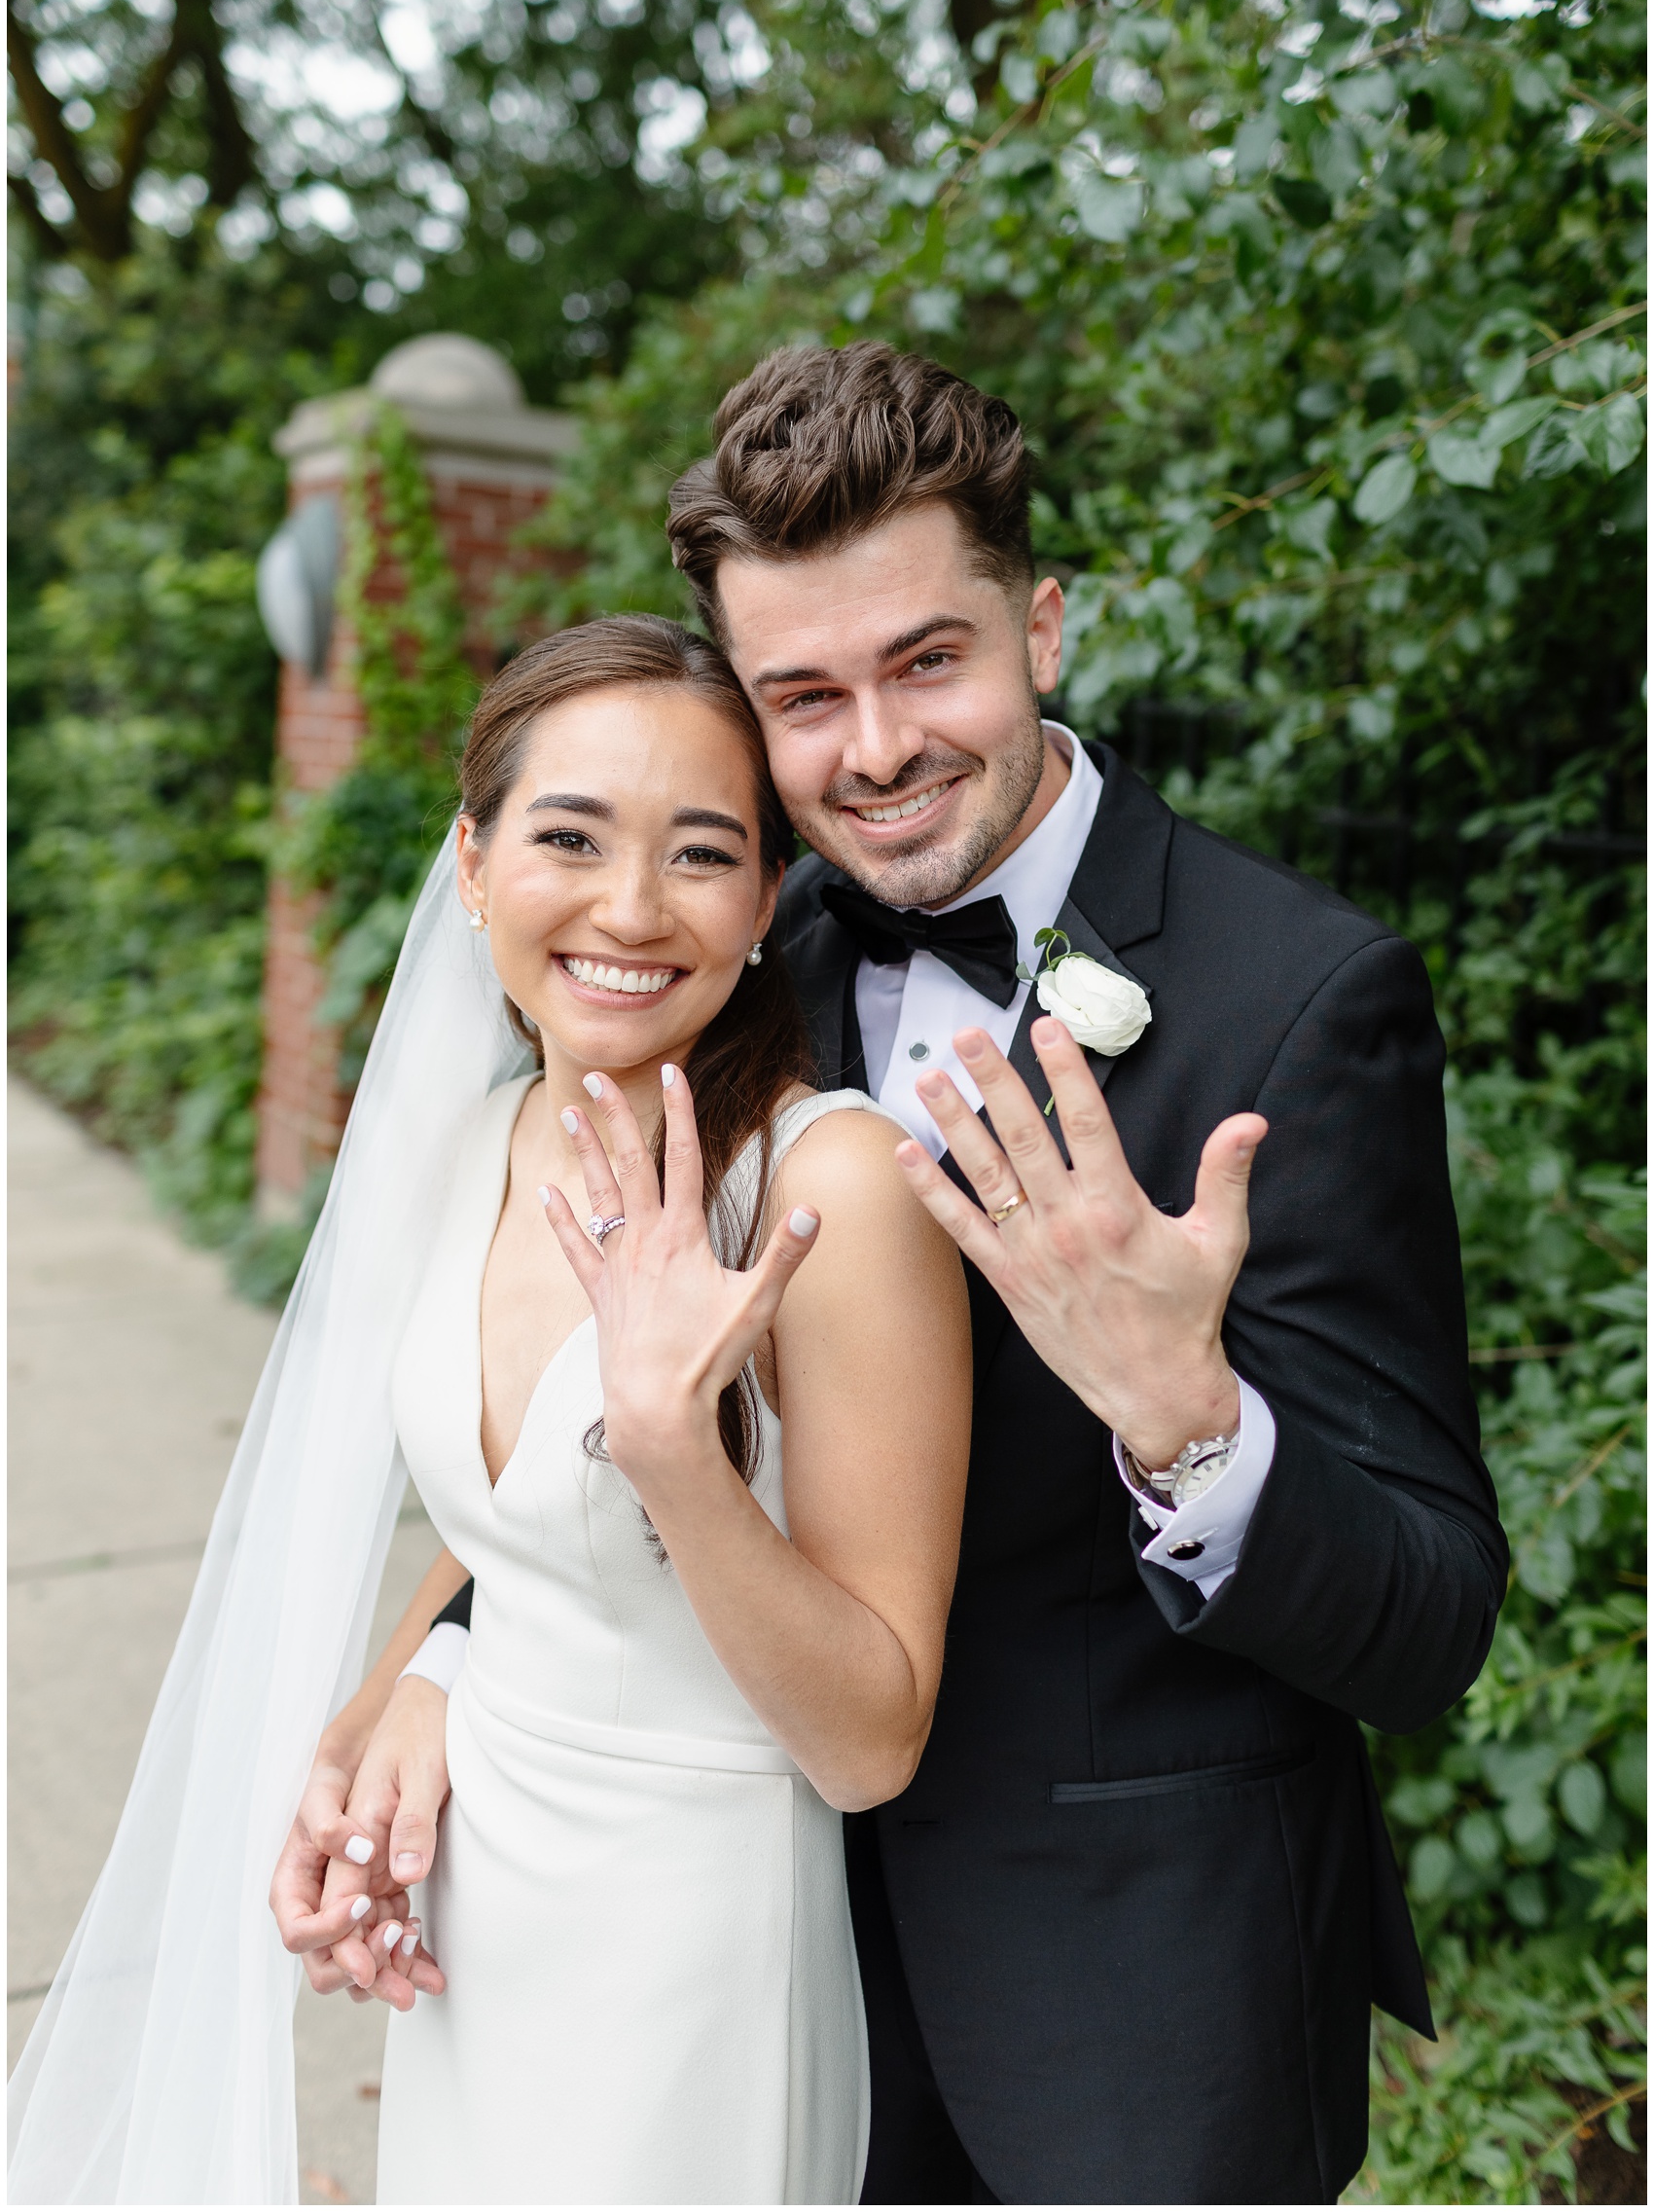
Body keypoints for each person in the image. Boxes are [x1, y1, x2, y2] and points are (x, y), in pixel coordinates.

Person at [275, 344, 1507, 2205]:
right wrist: (442, 1667)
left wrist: (1194, 1424)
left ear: (1047, 625)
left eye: (930, 660)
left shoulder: (1297, 997)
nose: (873, 748)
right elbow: (608, 1393)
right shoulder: (710, 937)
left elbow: (1429, 1626)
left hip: (1129, 2007)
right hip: (728, 1948)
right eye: (802, 695)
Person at [8, 615, 972, 2205]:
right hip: (470, 1930)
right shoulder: (467, 1153)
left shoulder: (828, 1188)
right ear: (470, 866)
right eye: (569, 838)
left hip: (692, 1947)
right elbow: (507, 1547)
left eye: (702, 855)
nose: (629, 909)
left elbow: (872, 1739)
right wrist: (358, 1747)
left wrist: (678, 1452)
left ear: (767, 904)